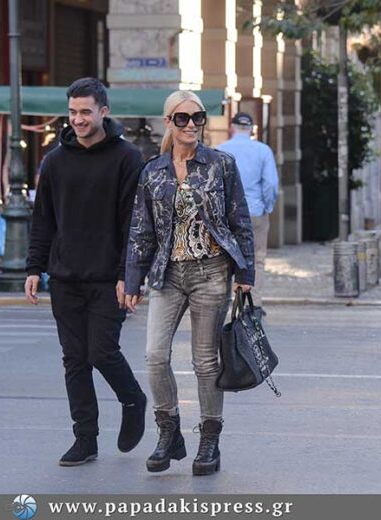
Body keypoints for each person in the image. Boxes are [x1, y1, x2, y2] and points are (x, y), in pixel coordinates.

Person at [124, 90, 255, 476]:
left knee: (204, 361)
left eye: (197, 117)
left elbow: (239, 219)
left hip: (211, 272)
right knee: (154, 355)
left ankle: (209, 441)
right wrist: (132, 281)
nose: (191, 125)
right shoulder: (152, 171)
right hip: (167, 274)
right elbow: (141, 230)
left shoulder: (220, 165)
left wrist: (245, 275)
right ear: (169, 122)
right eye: (182, 118)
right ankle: (169, 432)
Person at [24, 77, 147, 466]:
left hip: (109, 278)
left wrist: (129, 274)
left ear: (103, 112)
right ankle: (85, 439)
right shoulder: (55, 161)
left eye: (85, 112)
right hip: (65, 278)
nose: (77, 119)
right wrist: (34, 267)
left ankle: (133, 399)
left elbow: (134, 223)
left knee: (101, 351)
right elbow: (43, 220)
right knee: (74, 359)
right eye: (72, 112)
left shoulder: (127, 158)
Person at [216, 112, 278, 313]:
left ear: (232, 127)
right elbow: (271, 184)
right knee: (257, 258)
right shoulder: (263, 151)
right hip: (254, 211)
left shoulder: (220, 150)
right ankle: (254, 304)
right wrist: (267, 206)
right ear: (251, 129)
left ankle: (225, 301)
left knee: (225, 258)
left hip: (226, 213)